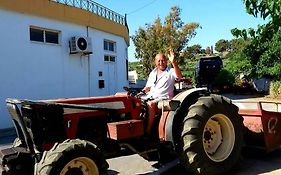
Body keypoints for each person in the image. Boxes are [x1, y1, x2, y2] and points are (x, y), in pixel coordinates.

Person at [142, 49, 182, 134]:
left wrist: (174, 62)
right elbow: (148, 87)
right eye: (159, 61)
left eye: (163, 60)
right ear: (155, 62)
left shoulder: (171, 71)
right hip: (151, 96)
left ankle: (148, 130)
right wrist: (143, 91)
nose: (161, 62)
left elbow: (179, 76)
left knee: (150, 104)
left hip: (164, 98)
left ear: (166, 61)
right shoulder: (153, 73)